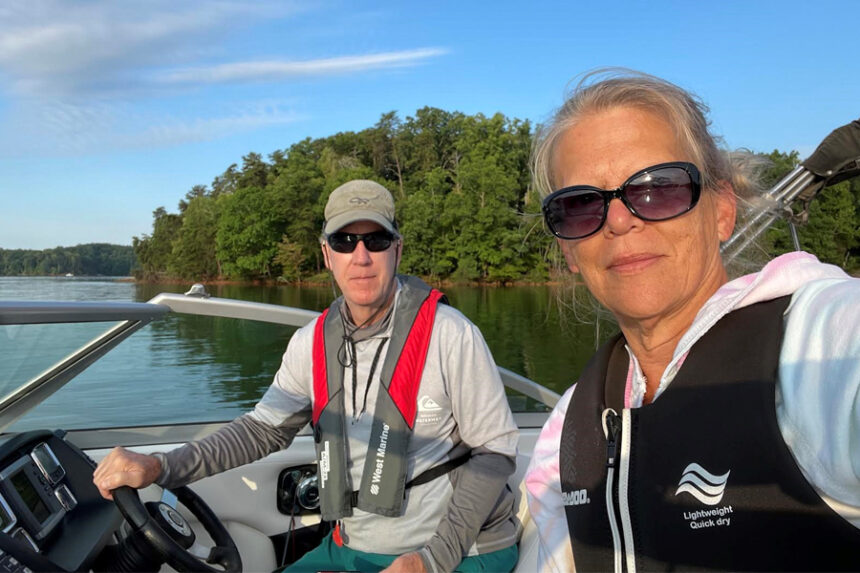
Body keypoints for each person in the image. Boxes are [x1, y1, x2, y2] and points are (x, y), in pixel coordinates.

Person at [524, 69, 860, 572]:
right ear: (568, 250)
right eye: (580, 205)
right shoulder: (569, 424)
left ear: (722, 210)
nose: (619, 220)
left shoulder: (817, 346)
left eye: (659, 187)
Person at [94, 179, 521, 573]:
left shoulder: (452, 334)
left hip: (463, 554)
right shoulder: (310, 343)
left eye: (375, 240)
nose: (361, 256)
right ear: (326, 254)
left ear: (397, 250)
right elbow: (262, 430)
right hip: (352, 547)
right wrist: (161, 466)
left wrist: (429, 561)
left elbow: (494, 452)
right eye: (344, 240)